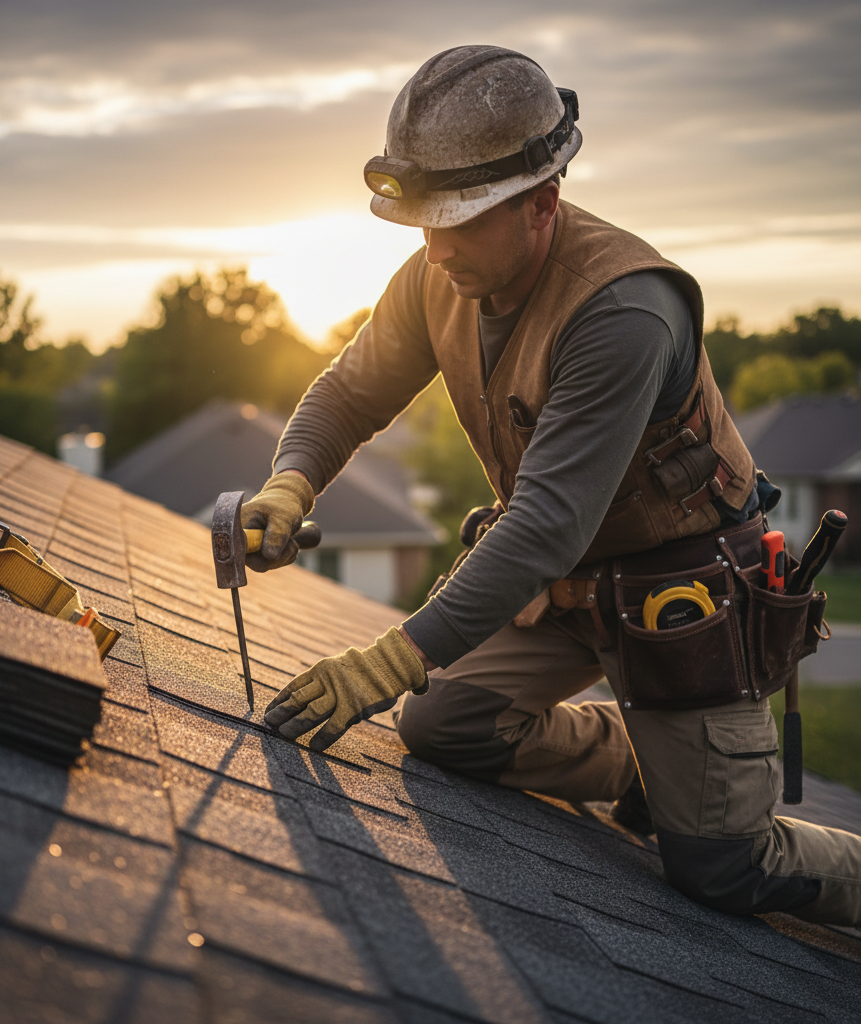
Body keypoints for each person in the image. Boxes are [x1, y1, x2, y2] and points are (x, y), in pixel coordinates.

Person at [242, 44, 861, 924]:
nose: (438, 245)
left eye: (463, 219)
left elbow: (544, 525)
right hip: (568, 586)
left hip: (679, 599)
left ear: (543, 203)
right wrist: (290, 484)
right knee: (442, 725)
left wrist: (389, 659)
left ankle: (696, 780)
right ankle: (649, 754)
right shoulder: (438, 275)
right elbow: (348, 392)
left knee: (724, 869)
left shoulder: (623, 312)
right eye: (425, 221)